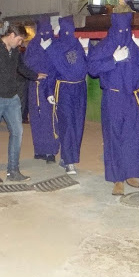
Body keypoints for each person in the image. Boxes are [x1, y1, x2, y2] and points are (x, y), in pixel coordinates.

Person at [0, 24, 46, 183]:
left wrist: (34, 75)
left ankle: (13, 170)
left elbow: (20, 67)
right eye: (19, 40)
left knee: (18, 132)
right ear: (11, 35)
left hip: (12, 97)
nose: (20, 44)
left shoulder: (15, 51)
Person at [87, 13, 139, 196]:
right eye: (119, 30)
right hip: (113, 97)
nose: (123, 33)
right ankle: (117, 179)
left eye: (126, 29)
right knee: (114, 137)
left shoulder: (133, 44)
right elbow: (92, 68)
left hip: (132, 97)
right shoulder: (105, 46)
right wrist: (112, 59)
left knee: (133, 136)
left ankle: (130, 172)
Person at [45, 16, 88, 175]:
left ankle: (67, 156)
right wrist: (49, 91)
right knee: (68, 124)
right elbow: (51, 71)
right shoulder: (55, 48)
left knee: (77, 124)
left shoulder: (78, 45)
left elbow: (86, 66)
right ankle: (70, 161)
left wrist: (86, 50)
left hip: (80, 88)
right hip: (63, 89)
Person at [23, 18, 58, 163]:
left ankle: (50, 151)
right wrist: (41, 51)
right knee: (36, 119)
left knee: (49, 120)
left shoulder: (54, 45)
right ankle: (39, 149)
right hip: (34, 86)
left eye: (48, 31)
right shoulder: (33, 45)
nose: (45, 34)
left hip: (49, 86)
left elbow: (56, 65)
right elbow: (27, 63)